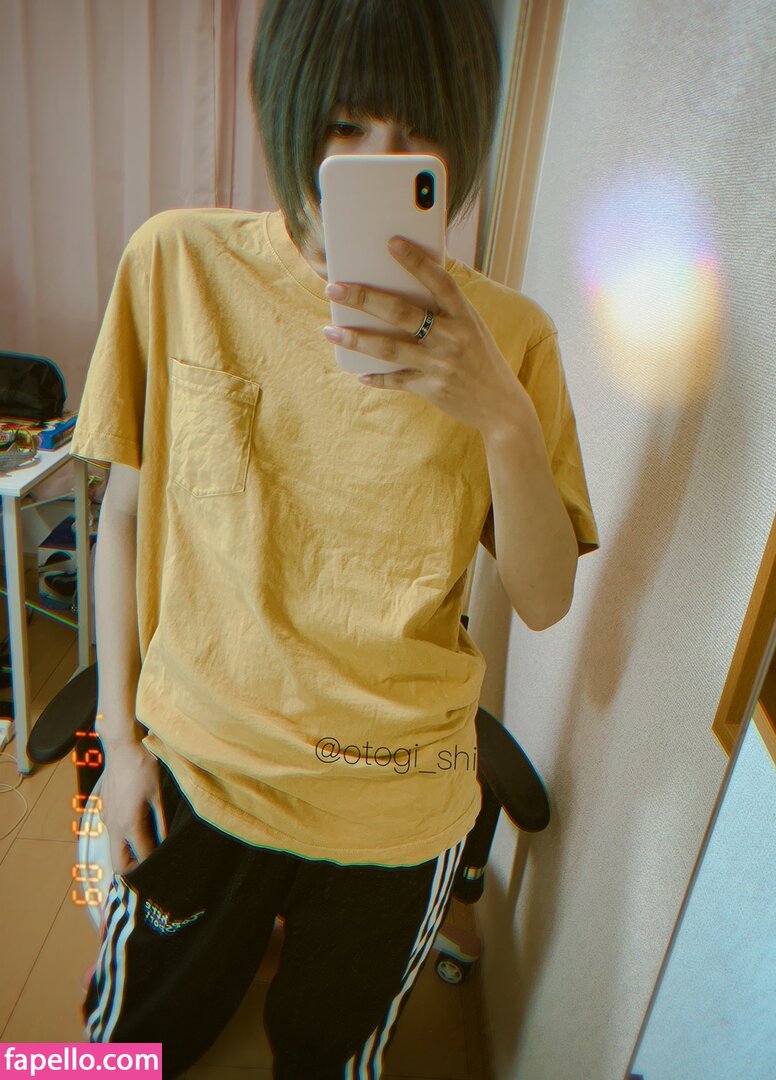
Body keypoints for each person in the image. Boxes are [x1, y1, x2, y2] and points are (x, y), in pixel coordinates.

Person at [70, 1, 600, 1076]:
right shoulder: (175, 263)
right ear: (287, 111)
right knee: (117, 1050)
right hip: (200, 771)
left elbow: (545, 601)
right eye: (345, 126)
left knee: (330, 1060)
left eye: (419, 135)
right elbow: (120, 520)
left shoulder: (511, 340)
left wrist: (502, 418)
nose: (376, 164)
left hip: (397, 805)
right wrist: (115, 748)